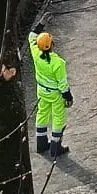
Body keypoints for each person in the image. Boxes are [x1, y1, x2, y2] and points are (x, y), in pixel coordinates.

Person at [29, 27, 72, 157]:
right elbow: (62, 84)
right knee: (58, 118)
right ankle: (55, 147)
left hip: (42, 91)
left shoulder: (36, 53)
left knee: (42, 114)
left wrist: (40, 25)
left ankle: (41, 145)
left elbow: (31, 36)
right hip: (56, 94)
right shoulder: (58, 63)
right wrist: (68, 97)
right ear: (51, 45)